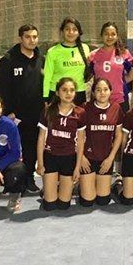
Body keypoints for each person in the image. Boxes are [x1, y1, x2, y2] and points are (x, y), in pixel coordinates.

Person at [0, 24, 45, 193]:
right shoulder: (8, 60)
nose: (32, 40)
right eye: (28, 37)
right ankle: (12, 180)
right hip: (15, 115)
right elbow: (1, 88)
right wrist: (7, 112)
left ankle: (28, 177)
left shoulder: (42, 59)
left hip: (36, 113)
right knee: (13, 147)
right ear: (20, 38)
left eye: (35, 37)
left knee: (32, 147)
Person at [35, 78, 85, 211]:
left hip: (69, 158)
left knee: (64, 206)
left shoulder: (80, 113)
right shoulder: (48, 111)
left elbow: (80, 142)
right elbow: (41, 138)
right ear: (57, 92)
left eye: (72, 90)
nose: (68, 93)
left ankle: (59, 187)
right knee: (49, 206)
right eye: (64, 90)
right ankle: (48, 189)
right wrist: (40, 163)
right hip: (51, 156)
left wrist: (77, 167)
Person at [76, 78, 124, 207]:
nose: (102, 93)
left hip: (105, 159)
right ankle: (80, 185)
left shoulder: (116, 108)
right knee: (87, 202)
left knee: (103, 201)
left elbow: (118, 135)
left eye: (105, 89)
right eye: (98, 90)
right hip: (88, 158)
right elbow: (77, 134)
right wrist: (81, 157)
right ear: (93, 92)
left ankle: (113, 186)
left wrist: (111, 158)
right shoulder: (85, 108)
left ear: (111, 91)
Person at [89, 22, 133, 116]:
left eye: (113, 34)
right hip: (100, 98)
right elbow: (90, 75)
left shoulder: (124, 53)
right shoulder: (93, 55)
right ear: (101, 36)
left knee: (121, 124)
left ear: (117, 36)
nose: (109, 37)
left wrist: (122, 81)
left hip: (120, 98)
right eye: (106, 34)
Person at [42, 17, 90, 104]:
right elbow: (47, 77)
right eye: (67, 29)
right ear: (62, 31)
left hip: (78, 93)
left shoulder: (85, 48)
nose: (71, 32)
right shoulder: (53, 51)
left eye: (74, 29)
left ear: (79, 32)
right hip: (57, 94)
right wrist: (45, 98)